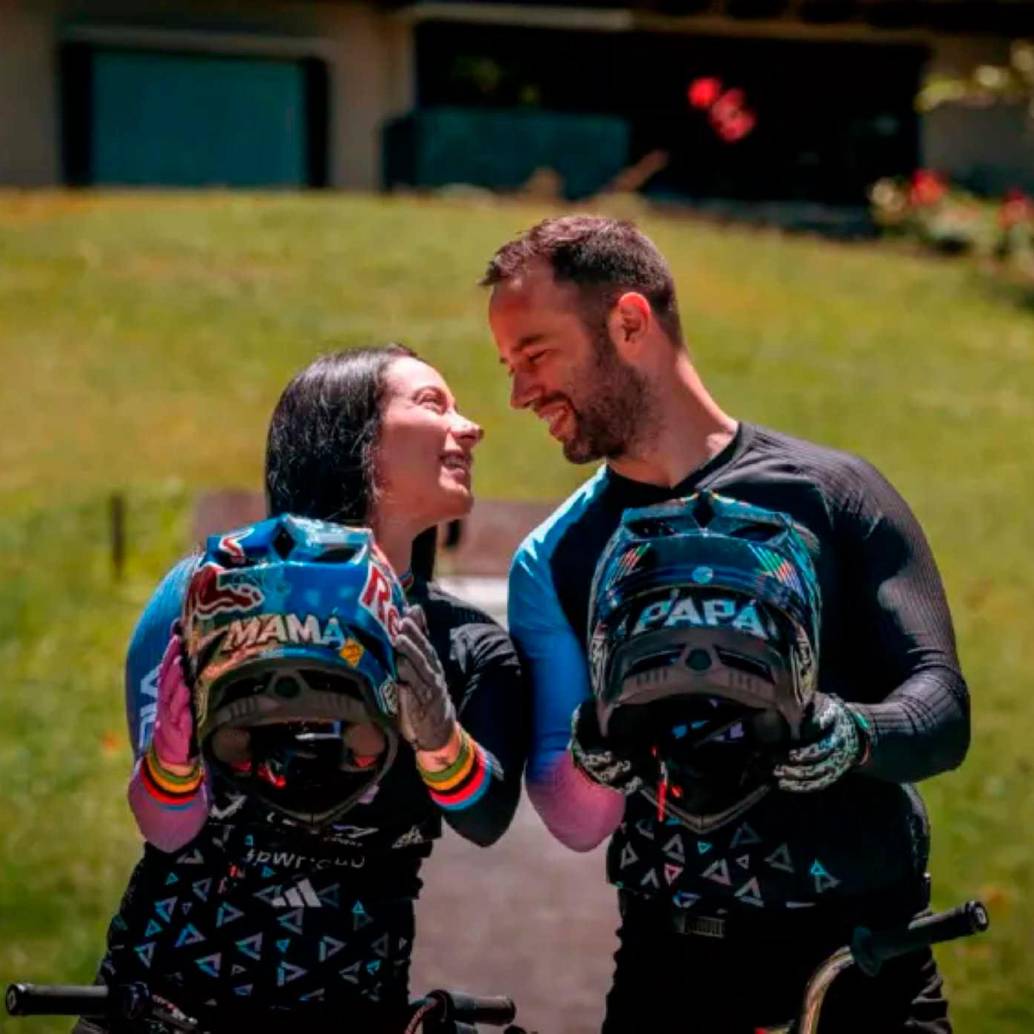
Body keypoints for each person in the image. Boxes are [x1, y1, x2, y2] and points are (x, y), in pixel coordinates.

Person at [483, 216, 969, 1033]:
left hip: (863, 966)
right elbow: (573, 818)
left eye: (535, 355)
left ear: (628, 322)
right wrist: (594, 753)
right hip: (672, 977)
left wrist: (851, 734)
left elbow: (943, 709)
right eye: (509, 366)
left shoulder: (832, 495)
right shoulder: (556, 557)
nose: (519, 394)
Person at [80, 345, 528, 1033]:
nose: (470, 427)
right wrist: (169, 761)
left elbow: (487, 818)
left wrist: (440, 740)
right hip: (164, 1006)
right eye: (432, 404)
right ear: (353, 438)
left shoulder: (470, 644)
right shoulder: (208, 595)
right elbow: (166, 825)